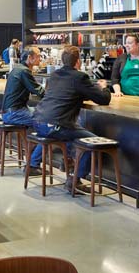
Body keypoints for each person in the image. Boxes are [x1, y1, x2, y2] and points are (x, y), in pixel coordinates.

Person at [32, 46, 112, 193]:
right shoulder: (79, 77)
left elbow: (70, 93)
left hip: (38, 121)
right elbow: (103, 99)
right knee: (90, 142)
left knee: (73, 133)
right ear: (78, 62)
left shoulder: (55, 75)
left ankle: (67, 164)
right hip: (56, 125)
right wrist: (104, 87)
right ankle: (75, 179)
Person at [1, 48, 46, 173]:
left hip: (10, 111)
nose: (40, 59)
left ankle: (32, 153)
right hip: (14, 113)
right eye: (38, 56)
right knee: (48, 123)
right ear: (30, 58)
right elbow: (39, 91)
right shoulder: (24, 71)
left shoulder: (17, 68)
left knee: (41, 117)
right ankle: (32, 164)